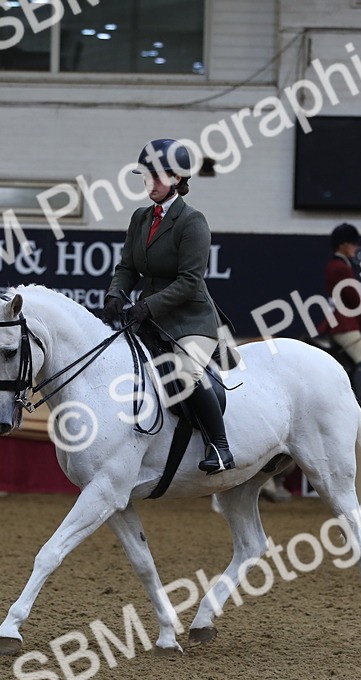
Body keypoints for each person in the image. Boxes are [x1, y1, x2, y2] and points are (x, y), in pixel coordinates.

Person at [102, 138, 234, 475]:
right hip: (152, 319)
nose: (150, 184)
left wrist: (148, 306)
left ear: (177, 179)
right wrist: (116, 294)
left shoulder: (193, 222)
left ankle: (219, 446)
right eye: (146, 177)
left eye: (157, 177)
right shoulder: (140, 218)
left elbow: (190, 281)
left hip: (191, 319)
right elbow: (127, 267)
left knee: (187, 372)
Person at [325, 223, 361, 417]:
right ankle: (357, 406)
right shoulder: (341, 268)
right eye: (352, 244)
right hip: (344, 324)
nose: (355, 248)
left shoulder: (336, 265)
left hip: (339, 321)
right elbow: (355, 301)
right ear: (342, 245)